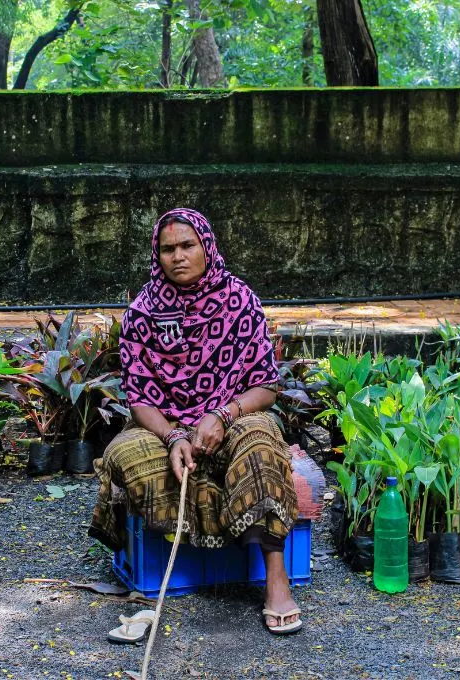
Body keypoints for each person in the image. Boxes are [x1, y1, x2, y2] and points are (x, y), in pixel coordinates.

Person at [89, 208, 302, 636]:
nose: (178, 256)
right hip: (164, 425)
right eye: (168, 249)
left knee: (261, 444)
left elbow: (265, 386)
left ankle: (276, 580)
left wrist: (223, 415)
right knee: (125, 454)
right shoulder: (143, 312)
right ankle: (174, 557)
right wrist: (171, 437)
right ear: (157, 255)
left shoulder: (240, 301)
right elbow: (140, 398)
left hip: (234, 415)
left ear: (207, 246)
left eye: (188, 245)